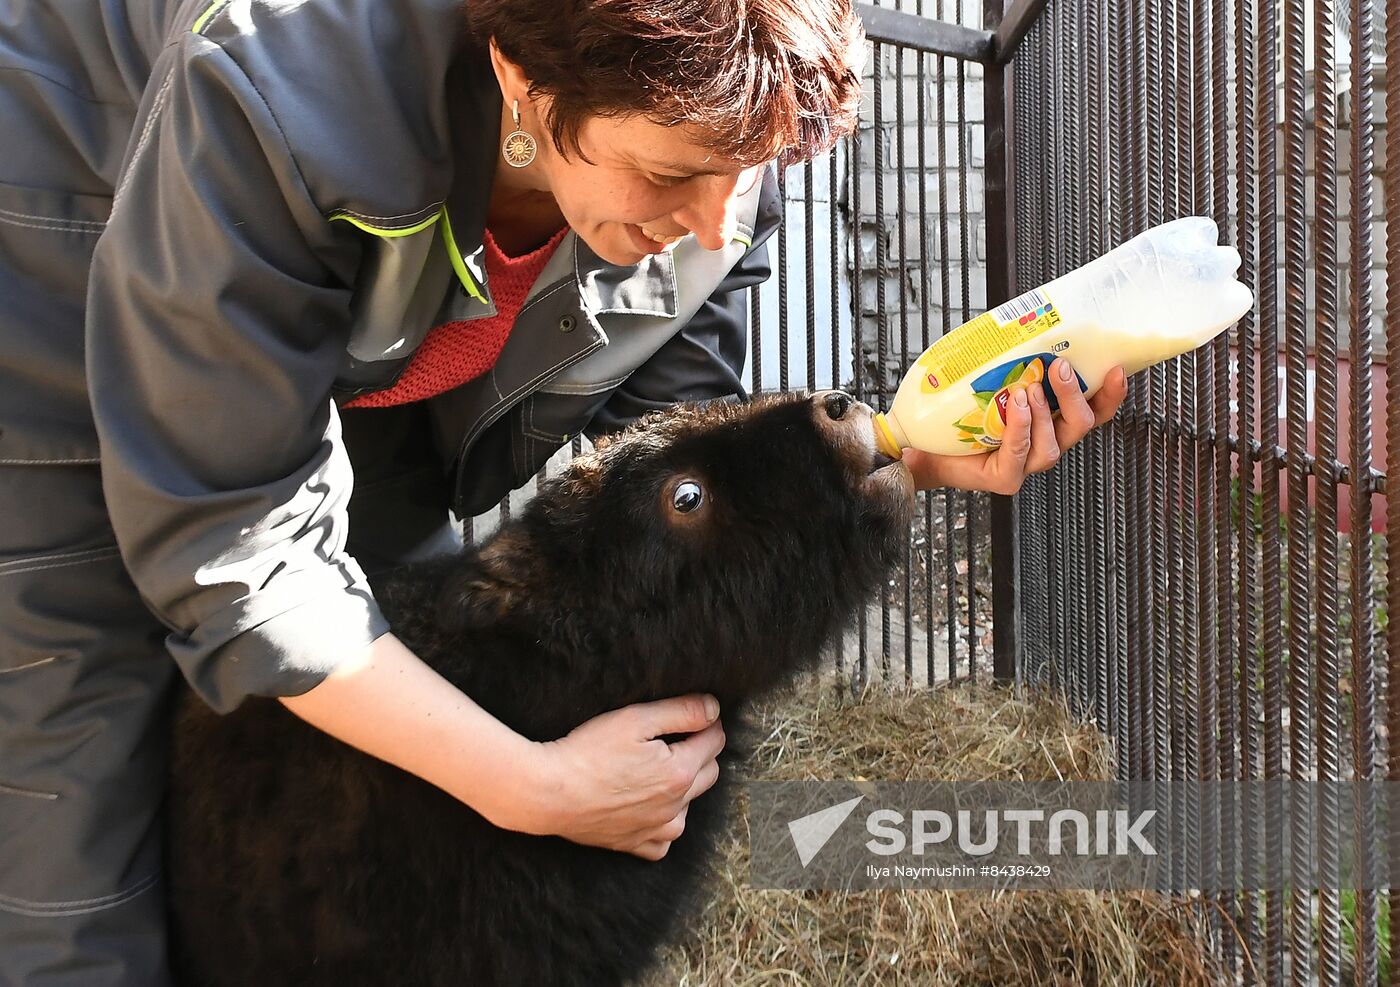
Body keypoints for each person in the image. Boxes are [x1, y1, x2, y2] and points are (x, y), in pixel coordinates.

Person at [0, 0, 1128, 983]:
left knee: (350, 707)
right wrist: (526, 786)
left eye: (749, 175)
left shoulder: (708, 175)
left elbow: (671, 464)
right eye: (673, 174)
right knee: (76, 808)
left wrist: (904, 455)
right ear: (524, 83)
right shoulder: (286, 94)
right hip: (52, 286)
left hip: (362, 366)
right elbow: (232, 546)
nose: (716, 225)